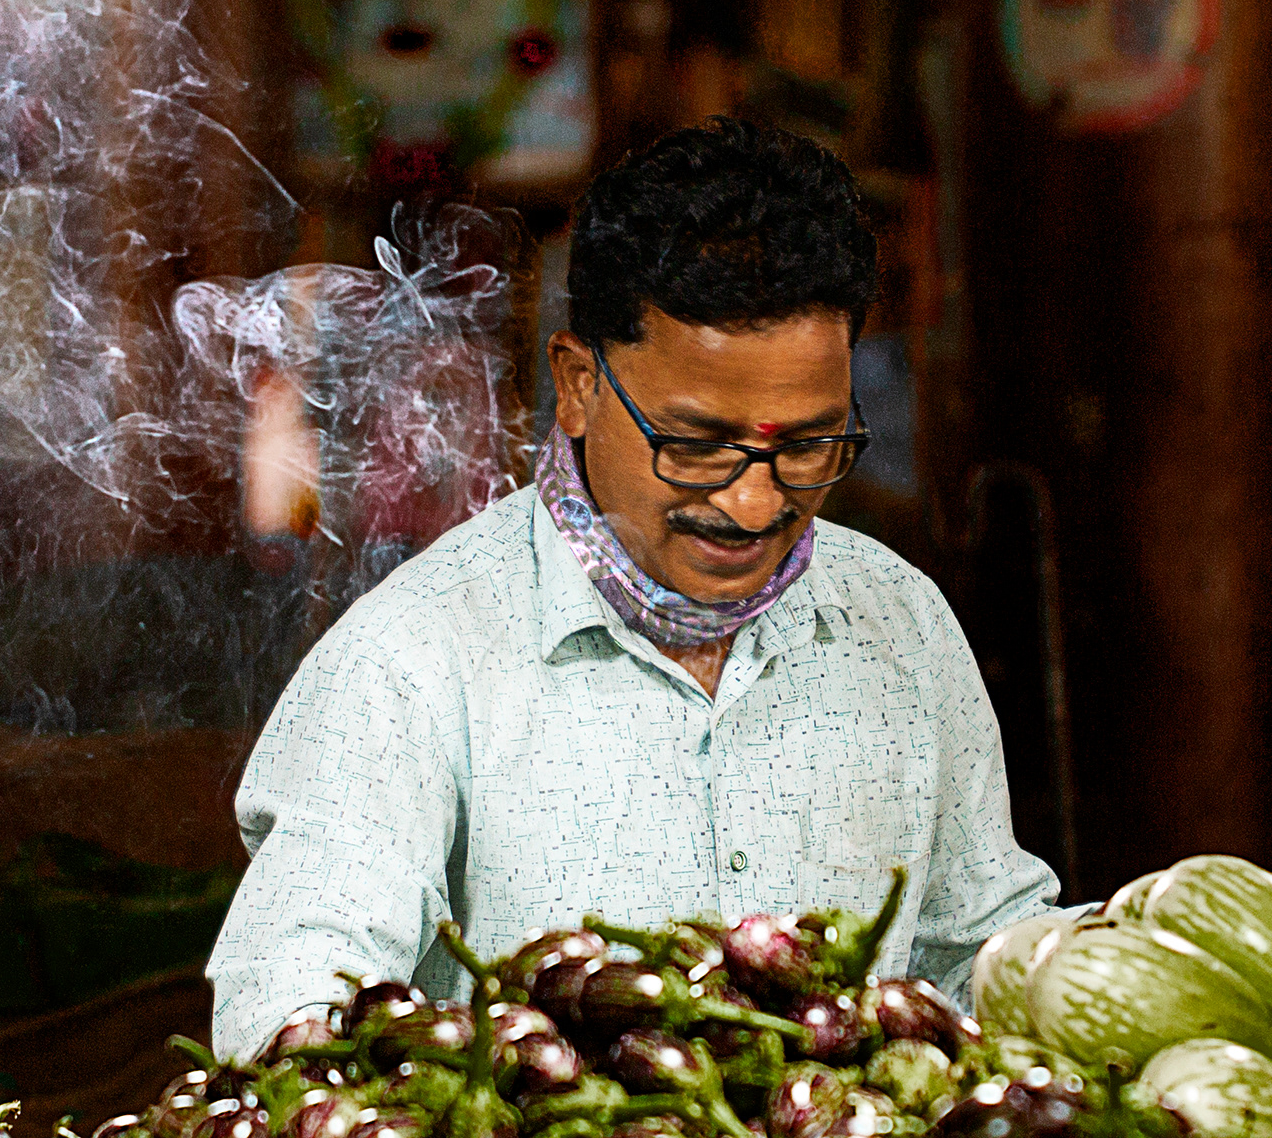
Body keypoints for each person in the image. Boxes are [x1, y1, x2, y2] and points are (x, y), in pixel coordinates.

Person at [207, 118, 1059, 1056]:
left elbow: (978, 960)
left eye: (807, 446)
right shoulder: (411, 660)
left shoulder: (900, 626)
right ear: (577, 385)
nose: (750, 500)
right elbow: (291, 996)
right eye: (694, 446)